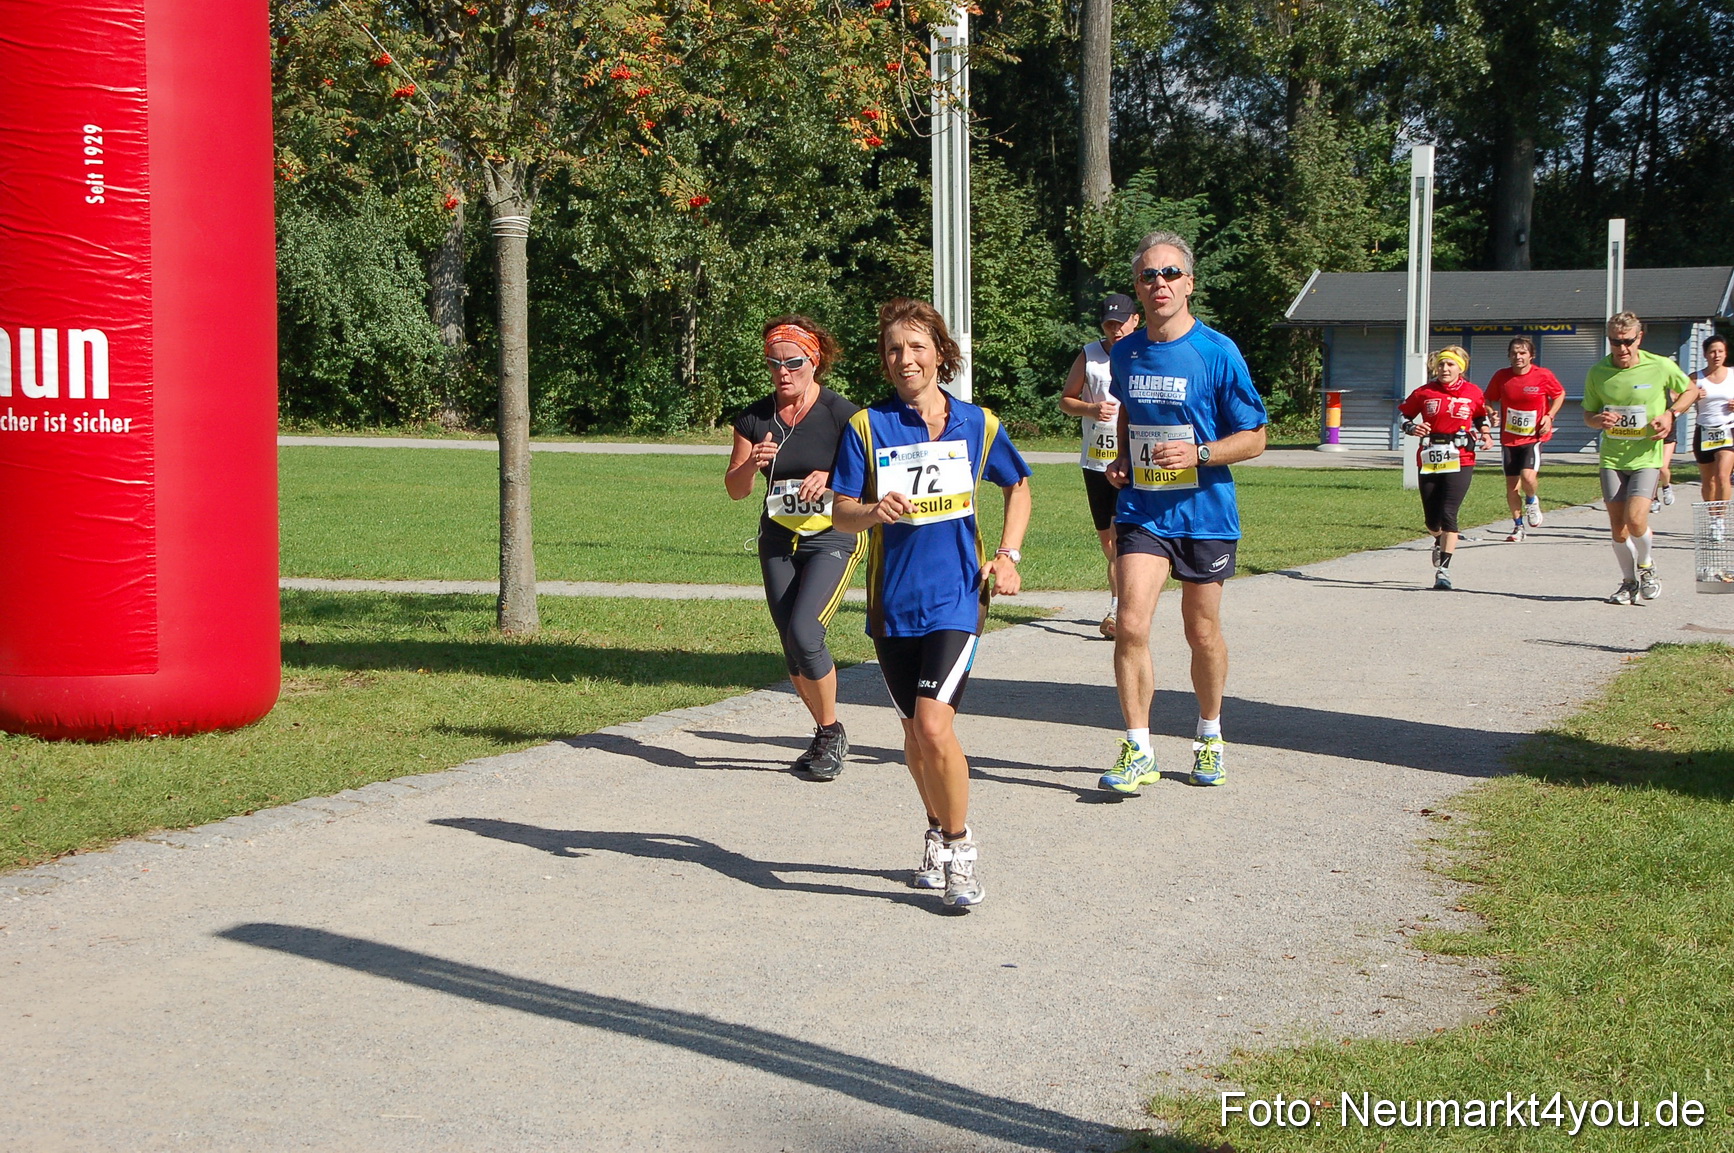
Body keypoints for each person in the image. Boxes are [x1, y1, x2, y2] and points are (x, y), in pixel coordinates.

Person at [831, 298, 1031, 909]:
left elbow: (1017, 484)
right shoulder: (867, 426)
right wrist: (872, 511)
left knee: (936, 726)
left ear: (941, 354)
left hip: (957, 600)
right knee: (915, 733)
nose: (904, 358)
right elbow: (840, 510)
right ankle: (936, 832)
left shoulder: (979, 424)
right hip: (892, 606)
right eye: (894, 348)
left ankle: (961, 845)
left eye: (917, 346)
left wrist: (1008, 555)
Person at [1097, 231, 1267, 796]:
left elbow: (1256, 437)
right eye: (1149, 276)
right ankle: (1138, 748)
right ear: (1137, 289)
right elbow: (1127, 415)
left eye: (1170, 274)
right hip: (1144, 510)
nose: (1160, 284)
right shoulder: (1125, 351)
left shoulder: (1217, 351)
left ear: (1189, 283)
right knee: (1132, 624)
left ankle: (1210, 735)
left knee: (1202, 632)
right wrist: (1122, 457)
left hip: (1205, 513)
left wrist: (1198, 452)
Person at [725, 317, 863, 780]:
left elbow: (871, 477)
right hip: (779, 539)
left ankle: (829, 733)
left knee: (806, 633)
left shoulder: (843, 414)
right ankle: (826, 733)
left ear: (814, 360)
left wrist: (832, 477)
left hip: (833, 535)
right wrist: (751, 466)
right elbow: (736, 490)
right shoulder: (755, 418)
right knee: (791, 646)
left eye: (793, 363)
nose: (783, 372)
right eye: (774, 363)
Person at [1583, 312, 1689, 605]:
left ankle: (1647, 566)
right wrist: (1599, 420)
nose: (1622, 349)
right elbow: (1588, 415)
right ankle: (1628, 583)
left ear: (1639, 338)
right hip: (1612, 459)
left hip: (1646, 457)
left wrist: (1671, 414)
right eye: (1616, 342)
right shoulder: (1598, 372)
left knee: (1636, 518)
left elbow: (1690, 391)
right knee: (1618, 528)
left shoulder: (1660, 365)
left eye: (1628, 342)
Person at [1058, 293, 1141, 638]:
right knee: (1108, 542)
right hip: (1095, 458)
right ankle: (1126, 601)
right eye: (1109, 324)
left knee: (1121, 538)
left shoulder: (1143, 351)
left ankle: (1118, 609)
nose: (1115, 329)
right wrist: (1091, 410)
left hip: (1131, 457)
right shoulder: (1090, 355)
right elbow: (1066, 400)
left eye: (1121, 322)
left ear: (1135, 320)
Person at [1399, 346, 1492, 590]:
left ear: (1460, 367)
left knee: (1449, 512)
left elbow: (1482, 415)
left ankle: (1444, 571)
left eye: (1450, 364)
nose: (1444, 369)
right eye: (1441, 364)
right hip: (1430, 456)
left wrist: (1485, 433)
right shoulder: (1424, 392)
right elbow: (1403, 416)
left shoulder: (1472, 392)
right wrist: (1412, 428)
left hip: (1461, 456)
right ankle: (1438, 538)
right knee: (1432, 520)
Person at [1482, 335, 1565, 542]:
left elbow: (1560, 394)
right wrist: (1491, 412)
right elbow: (1487, 398)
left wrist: (1549, 415)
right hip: (1509, 439)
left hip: (1533, 436)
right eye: (1514, 353)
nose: (1518, 357)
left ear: (1531, 355)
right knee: (1511, 486)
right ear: (1509, 356)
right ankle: (1518, 527)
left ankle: (1531, 500)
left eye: (1522, 353)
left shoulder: (1543, 375)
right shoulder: (1502, 376)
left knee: (1528, 477)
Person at [1667, 333, 1734, 541]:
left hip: (1728, 430)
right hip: (1704, 431)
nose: (1716, 355)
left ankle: (1721, 519)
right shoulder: (1696, 378)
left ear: (1725, 353)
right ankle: (1713, 518)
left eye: (1720, 351)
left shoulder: (1732, 375)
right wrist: (1693, 396)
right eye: (1712, 351)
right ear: (1705, 354)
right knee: (1708, 481)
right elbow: (1676, 399)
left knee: (1723, 476)